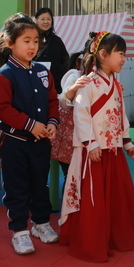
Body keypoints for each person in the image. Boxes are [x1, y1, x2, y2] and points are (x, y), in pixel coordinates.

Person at [59, 31, 134, 263]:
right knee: (93, 197)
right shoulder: (87, 83)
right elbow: (81, 114)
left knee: (114, 196)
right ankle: (90, 241)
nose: (124, 59)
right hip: (93, 151)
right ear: (103, 55)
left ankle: (112, 236)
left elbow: (120, 114)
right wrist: (90, 143)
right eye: (121, 54)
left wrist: (127, 140)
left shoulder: (116, 84)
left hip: (112, 149)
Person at [0, 13, 60, 255]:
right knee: (17, 187)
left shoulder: (43, 71)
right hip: (15, 143)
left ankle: (41, 224)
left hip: (41, 143)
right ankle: (19, 230)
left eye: (35, 40)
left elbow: (53, 100)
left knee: (40, 185)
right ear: (10, 43)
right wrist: (31, 125)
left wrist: (52, 122)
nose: (33, 46)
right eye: (26, 40)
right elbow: (2, 109)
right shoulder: (5, 74)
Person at [51, 51, 91, 181]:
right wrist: (73, 89)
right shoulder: (75, 75)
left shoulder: (105, 79)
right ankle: (69, 200)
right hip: (70, 138)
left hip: (88, 137)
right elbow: (64, 103)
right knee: (73, 177)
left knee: (85, 177)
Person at [34, 8, 69, 93]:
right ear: (36, 20)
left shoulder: (57, 40)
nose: (46, 22)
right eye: (42, 19)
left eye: (48, 19)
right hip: (35, 83)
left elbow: (65, 60)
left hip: (56, 85)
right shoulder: (32, 39)